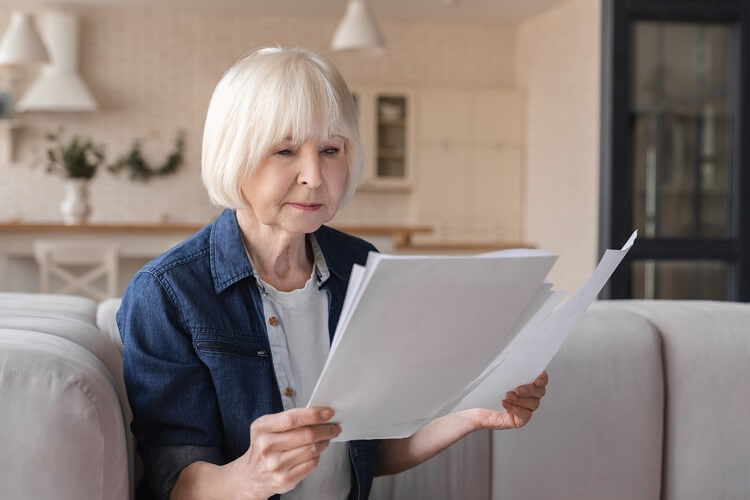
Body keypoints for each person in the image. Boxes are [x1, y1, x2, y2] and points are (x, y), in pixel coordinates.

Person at [117, 47, 549, 500]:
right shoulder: (167, 293)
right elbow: (176, 483)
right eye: (285, 150)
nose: (314, 175)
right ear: (234, 156)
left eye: (330, 149)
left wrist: (472, 412)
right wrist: (251, 476)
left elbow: (370, 450)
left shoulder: (361, 267)